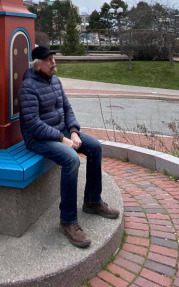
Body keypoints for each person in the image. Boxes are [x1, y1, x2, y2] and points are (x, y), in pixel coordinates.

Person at [19, 46, 119, 248]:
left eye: (53, 58)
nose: (54, 62)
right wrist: (62, 139)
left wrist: (73, 131)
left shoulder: (55, 81)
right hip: (38, 139)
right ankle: (68, 220)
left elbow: (67, 108)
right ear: (37, 65)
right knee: (71, 160)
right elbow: (33, 124)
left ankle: (92, 201)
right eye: (48, 59)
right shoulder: (28, 87)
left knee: (95, 147)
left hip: (62, 132)